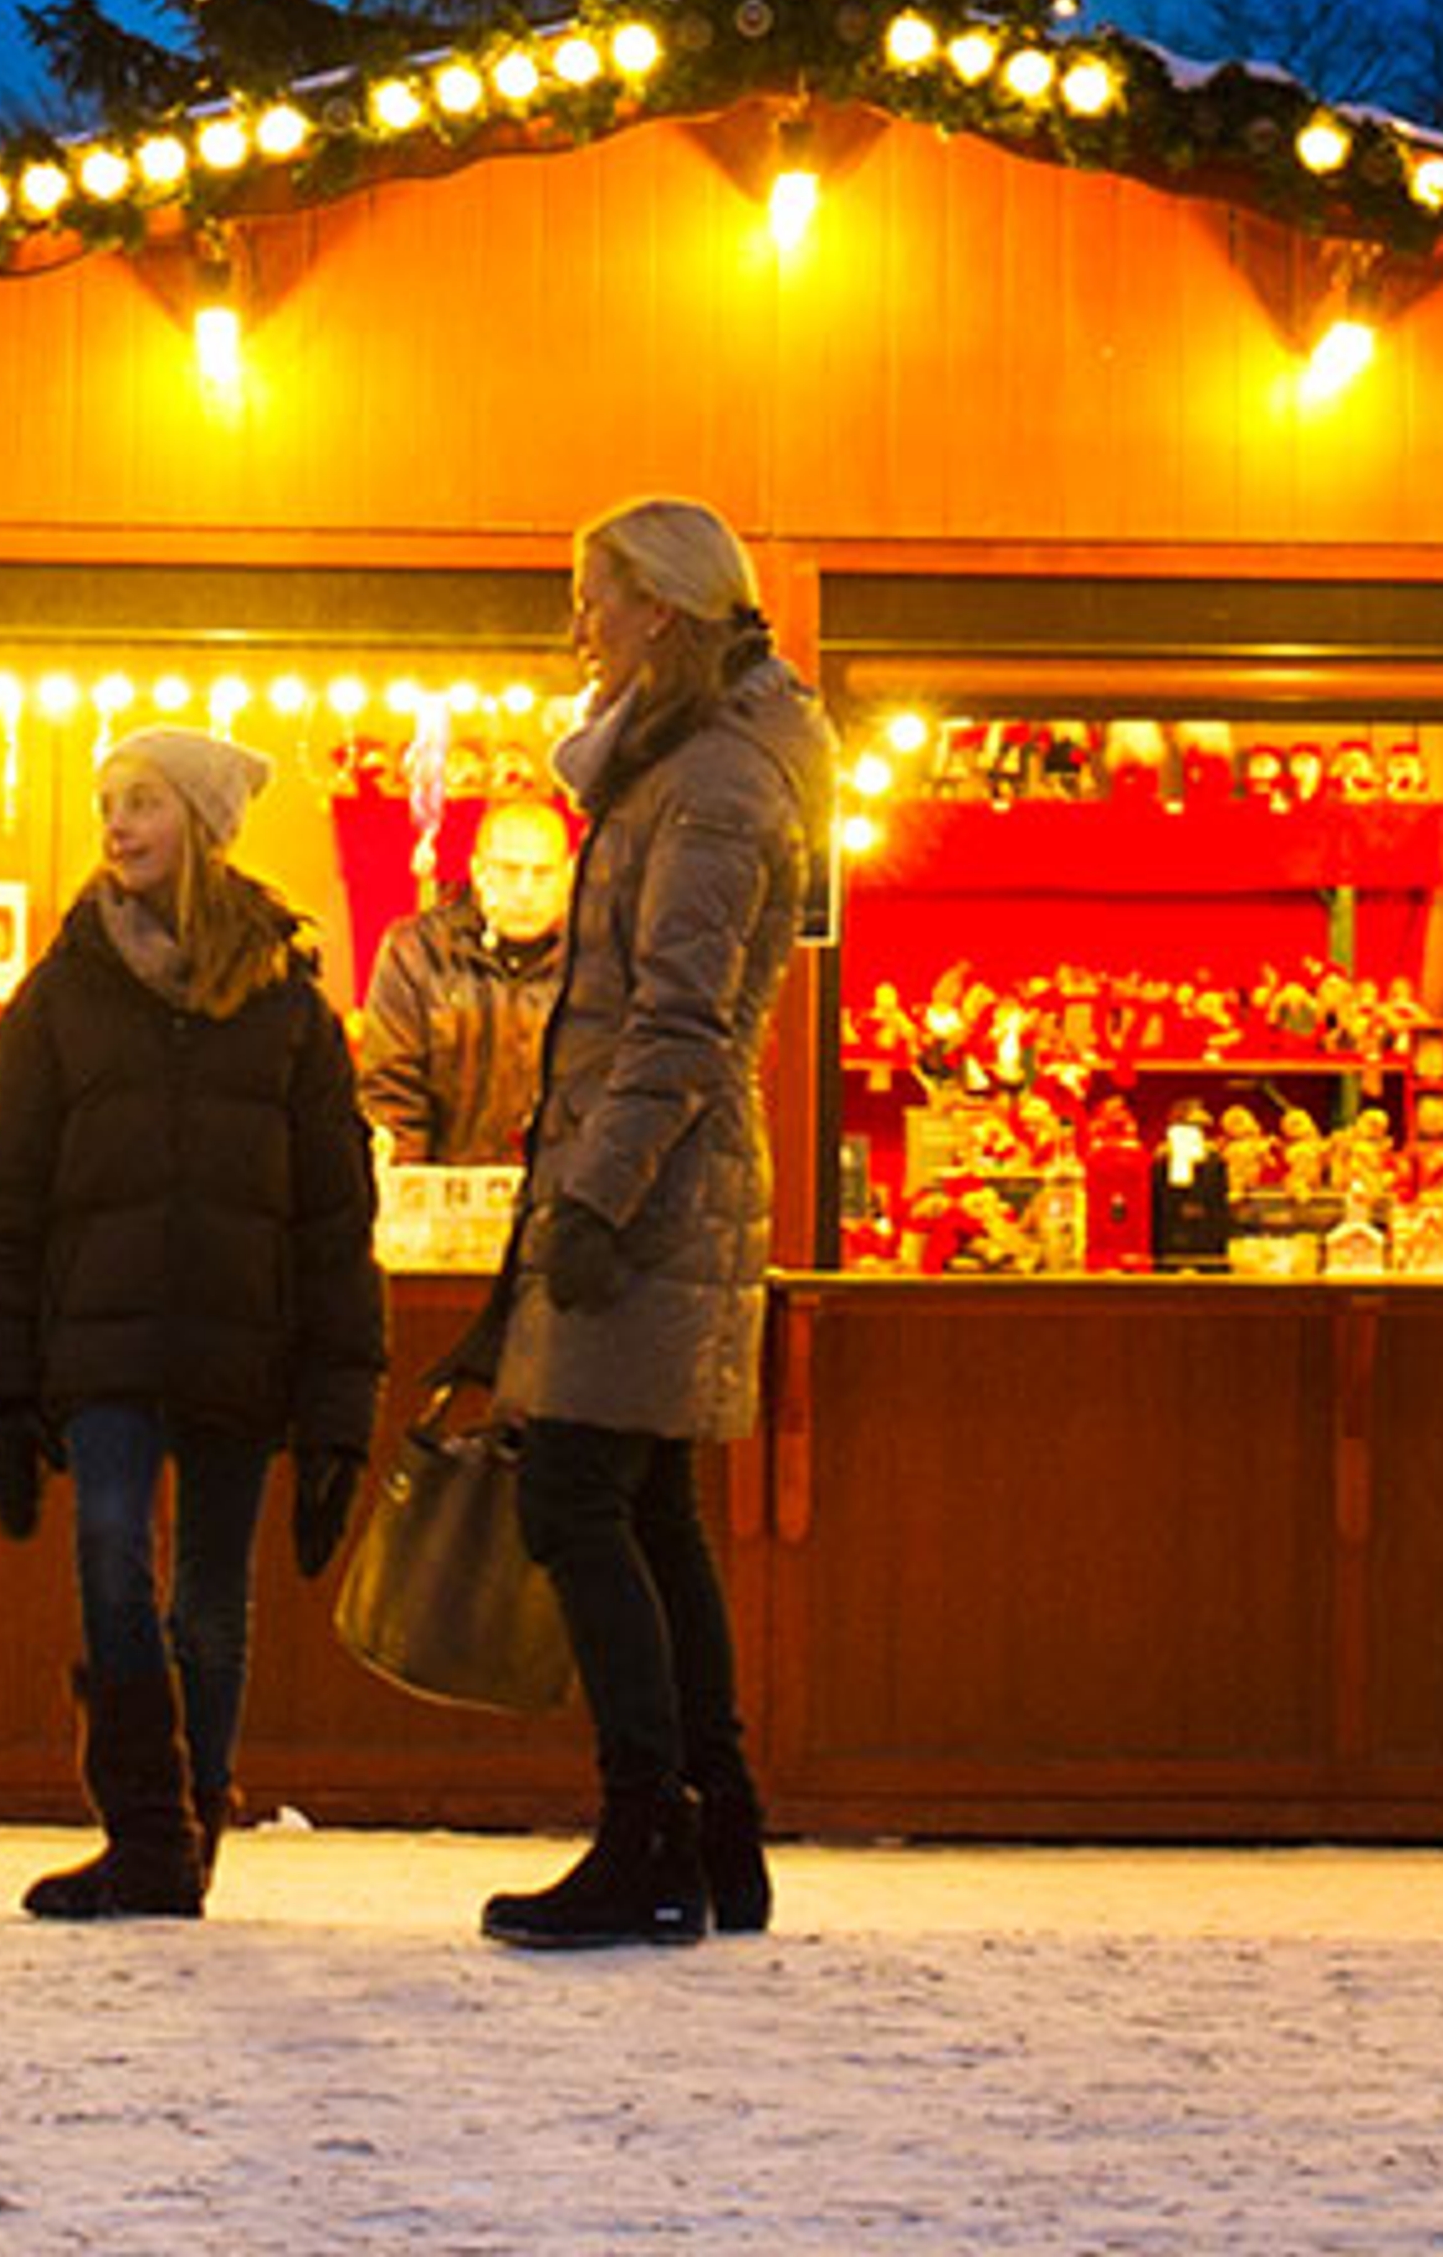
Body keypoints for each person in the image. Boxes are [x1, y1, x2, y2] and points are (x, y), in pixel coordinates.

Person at [0, 725, 384, 1919]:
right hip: (101, 1344)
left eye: (142, 799)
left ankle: (191, 1832)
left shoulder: (288, 1005)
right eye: (109, 801)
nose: (118, 823)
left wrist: (340, 1413)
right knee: (110, 1556)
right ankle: (145, 1827)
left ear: (202, 820)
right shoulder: (63, 992)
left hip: (242, 1344)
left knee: (213, 1596)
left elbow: (336, 1219)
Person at [479, 491, 832, 1954]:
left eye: (597, 595)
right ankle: (713, 1833)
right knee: (646, 1506)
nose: (578, 625)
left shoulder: (712, 782)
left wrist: (595, 1199)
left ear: (666, 611)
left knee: (574, 1496)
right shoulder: (686, 764)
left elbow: (679, 1023)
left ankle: (651, 1837)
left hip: (652, 1191)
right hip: (656, 1179)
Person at [355, 792, 575, 1166]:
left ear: (568, 874)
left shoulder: (595, 961)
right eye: (509, 871)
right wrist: (411, 1188)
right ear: (478, 871)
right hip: (441, 1186)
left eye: (542, 873)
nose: (525, 891)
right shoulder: (418, 951)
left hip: (565, 1192)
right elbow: (391, 1092)